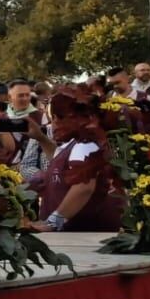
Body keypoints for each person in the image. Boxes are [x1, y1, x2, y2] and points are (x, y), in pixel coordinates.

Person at [29, 85, 124, 233]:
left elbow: (84, 187)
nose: (53, 123)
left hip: (82, 235)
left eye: (56, 117)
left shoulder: (86, 144)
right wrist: (41, 138)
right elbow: (61, 164)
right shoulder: (79, 142)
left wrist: (53, 222)